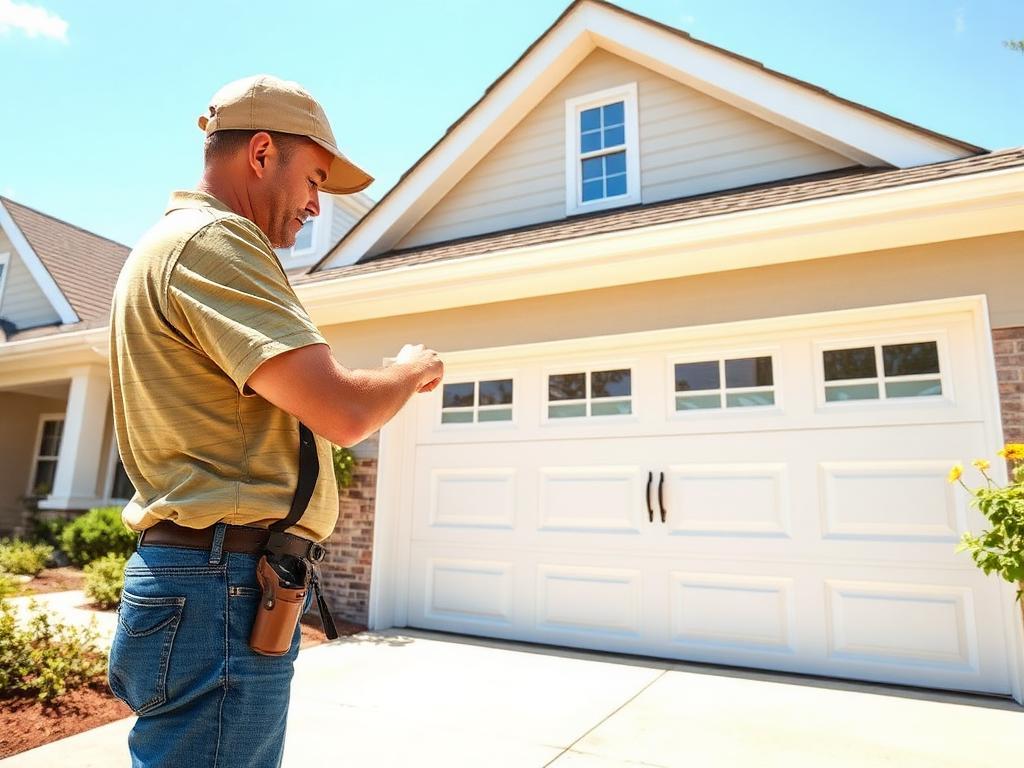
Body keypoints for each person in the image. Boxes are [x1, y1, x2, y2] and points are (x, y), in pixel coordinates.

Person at [107, 74, 443, 768]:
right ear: (261, 155)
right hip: (220, 585)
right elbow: (344, 410)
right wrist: (407, 370)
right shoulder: (215, 243)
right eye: (314, 179)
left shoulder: (181, 246)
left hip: (207, 579)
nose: (317, 205)